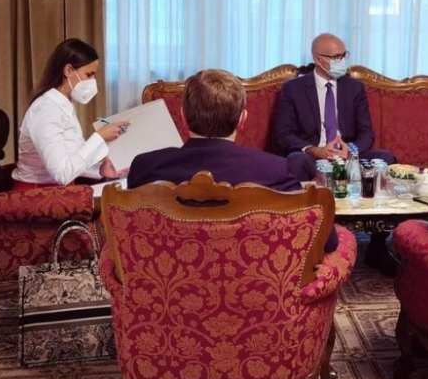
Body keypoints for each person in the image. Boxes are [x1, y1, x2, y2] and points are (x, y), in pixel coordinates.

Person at [128, 69, 338, 251]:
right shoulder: (276, 170)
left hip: (164, 278)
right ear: (242, 119)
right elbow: (324, 240)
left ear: (183, 116)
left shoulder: (144, 167)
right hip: (256, 281)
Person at [274, 32, 396, 182]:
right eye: (337, 57)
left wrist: (350, 152)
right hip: (314, 157)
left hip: (349, 157)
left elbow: (366, 132)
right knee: (296, 160)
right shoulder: (293, 89)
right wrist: (314, 150)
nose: (342, 61)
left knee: (385, 158)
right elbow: (284, 134)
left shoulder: (355, 88)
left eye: (344, 56)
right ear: (318, 59)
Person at [12, 38, 129, 188]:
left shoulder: (63, 105)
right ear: (68, 70)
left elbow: (69, 160)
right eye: (89, 75)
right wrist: (100, 137)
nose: (93, 81)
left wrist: (100, 170)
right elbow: (62, 174)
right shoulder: (46, 110)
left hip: (59, 191)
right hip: (37, 194)